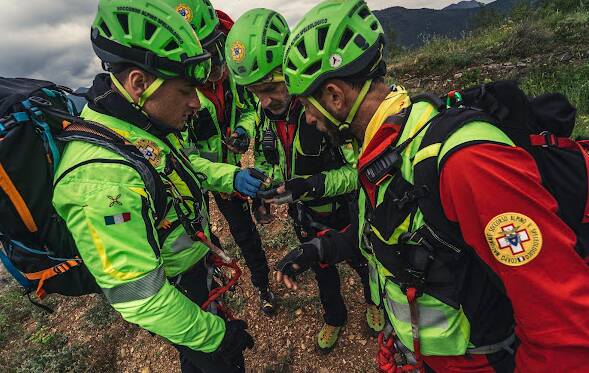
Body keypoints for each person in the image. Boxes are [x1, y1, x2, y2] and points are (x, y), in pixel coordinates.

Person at [275, 0, 589, 371]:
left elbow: (563, 326)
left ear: (334, 96)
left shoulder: (464, 163)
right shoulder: (386, 148)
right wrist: (321, 248)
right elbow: (394, 235)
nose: (309, 120)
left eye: (309, 107)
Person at [53, 1, 257, 371]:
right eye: (185, 91)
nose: (197, 103)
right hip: (179, 297)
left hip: (193, 277)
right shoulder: (102, 180)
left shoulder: (135, 126)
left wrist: (231, 176)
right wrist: (217, 336)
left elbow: (178, 166)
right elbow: (141, 297)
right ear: (139, 83)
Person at [226, 8, 385, 353]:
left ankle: (375, 301)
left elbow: (357, 171)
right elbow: (269, 158)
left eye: (270, 88)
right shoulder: (268, 117)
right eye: (255, 93)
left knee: (362, 260)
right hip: (305, 216)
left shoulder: (324, 115)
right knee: (322, 269)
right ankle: (334, 317)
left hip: (342, 212)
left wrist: (312, 185)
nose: (264, 100)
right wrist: (264, 193)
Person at [162, 0, 276, 316]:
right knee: (198, 231)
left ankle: (263, 286)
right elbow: (181, 158)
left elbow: (250, 108)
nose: (214, 67)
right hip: (200, 179)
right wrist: (229, 175)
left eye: (215, 54)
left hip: (229, 175)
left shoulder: (232, 65)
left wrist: (242, 129)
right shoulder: (175, 93)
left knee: (245, 233)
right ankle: (217, 272)